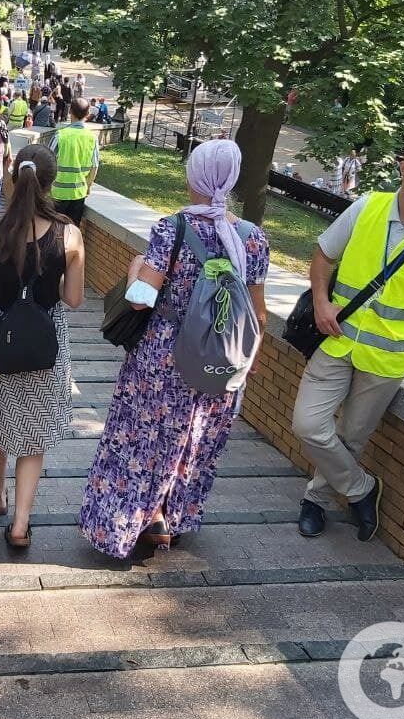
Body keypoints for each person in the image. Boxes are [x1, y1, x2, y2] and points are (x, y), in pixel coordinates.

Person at [79, 141, 268, 557]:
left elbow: (140, 297)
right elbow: (258, 311)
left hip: (164, 355)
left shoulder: (173, 229)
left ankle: (132, 522)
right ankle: (173, 514)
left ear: (194, 177)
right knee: (195, 437)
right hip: (220, 357)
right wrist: (248, 358)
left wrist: (134, 265)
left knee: (144, 438)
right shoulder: (252, 238)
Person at [291, 142, 404, 542]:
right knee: (308, 424)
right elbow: (323, 255)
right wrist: (320, 303)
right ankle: (361, 489)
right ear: (402, 167)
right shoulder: (368, 206)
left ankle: (316, 500)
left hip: (386, 358)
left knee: (351, 437)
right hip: (337, 338)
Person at [0, 145, 85, 549]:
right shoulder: (70, 234)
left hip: (1, 340)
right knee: (34, 433)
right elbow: (73, 300)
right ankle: (21, 523)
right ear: (51, 182)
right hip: (45, 341)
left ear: (12, 177)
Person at [49, 98, 100, 226]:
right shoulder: (92, 138)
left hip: (57, 194)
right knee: (72, 231)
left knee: (54, 231)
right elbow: (94, 166)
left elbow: (47, 161)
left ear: (70, 111)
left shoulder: (60, 136)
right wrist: (88, 186)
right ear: (88, 114)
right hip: (79, 194)